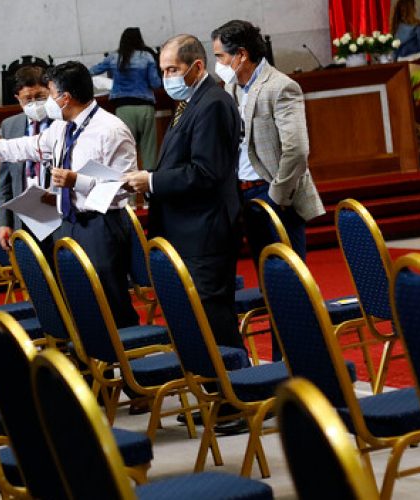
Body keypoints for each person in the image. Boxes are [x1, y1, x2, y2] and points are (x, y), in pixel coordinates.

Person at [0, 61, 140, 327]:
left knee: (110, 301)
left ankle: (131, 362)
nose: (46, 102)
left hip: (101, 226)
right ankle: (91, 365)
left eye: (49, 93)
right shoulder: (62, 127)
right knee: (78, 302)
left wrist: (77, 181)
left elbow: (126, 187)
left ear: (64, 97)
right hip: (67, 223)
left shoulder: (111, 129)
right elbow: (28, 146)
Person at [121, 34, 243, 351]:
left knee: (214, 323)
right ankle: (218, 392)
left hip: (204, 232)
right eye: (163, 71)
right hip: (186, 228)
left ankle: (237, 392)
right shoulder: (188, 102)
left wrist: (152, 181)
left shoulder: (213, 103)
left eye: (173, 70)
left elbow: (205, 173)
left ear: (197, 66)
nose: (166, 79)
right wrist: (148, 181)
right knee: (196, 323)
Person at [211, 20, 325, 261]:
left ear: (241, 54)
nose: (217, 65)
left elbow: (296, 149)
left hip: (273, 192)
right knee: (266, 274)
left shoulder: (281, 86)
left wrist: (278, 195)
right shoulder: (232, 87)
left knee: (289, 278)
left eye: (220, 57)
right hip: (244, 195)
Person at [0, 66, 55, 257]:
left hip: (57, 214)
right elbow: (4, 182)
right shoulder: (9, 126)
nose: (34, 103)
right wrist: (4, 223)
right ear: (17, 99)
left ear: (50, 92)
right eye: (28, 99)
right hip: (25, 217)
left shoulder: (62, 122)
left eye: (40, 96)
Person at [90, 28, 162, 171]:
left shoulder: (113, 57)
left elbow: (91, 71)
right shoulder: (147, 56)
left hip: (123, 109)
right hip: (145, 107)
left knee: (126, 151)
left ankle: (131, 190)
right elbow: (156, 83)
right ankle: (149, 188)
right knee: (149, 150)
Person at [392, 0, 420, 142]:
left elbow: (394, 54)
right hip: (417, 68)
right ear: (412, 8)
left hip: (400, 71)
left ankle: (410, 143)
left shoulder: (396, 29)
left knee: (407, 106)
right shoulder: (417, 26)